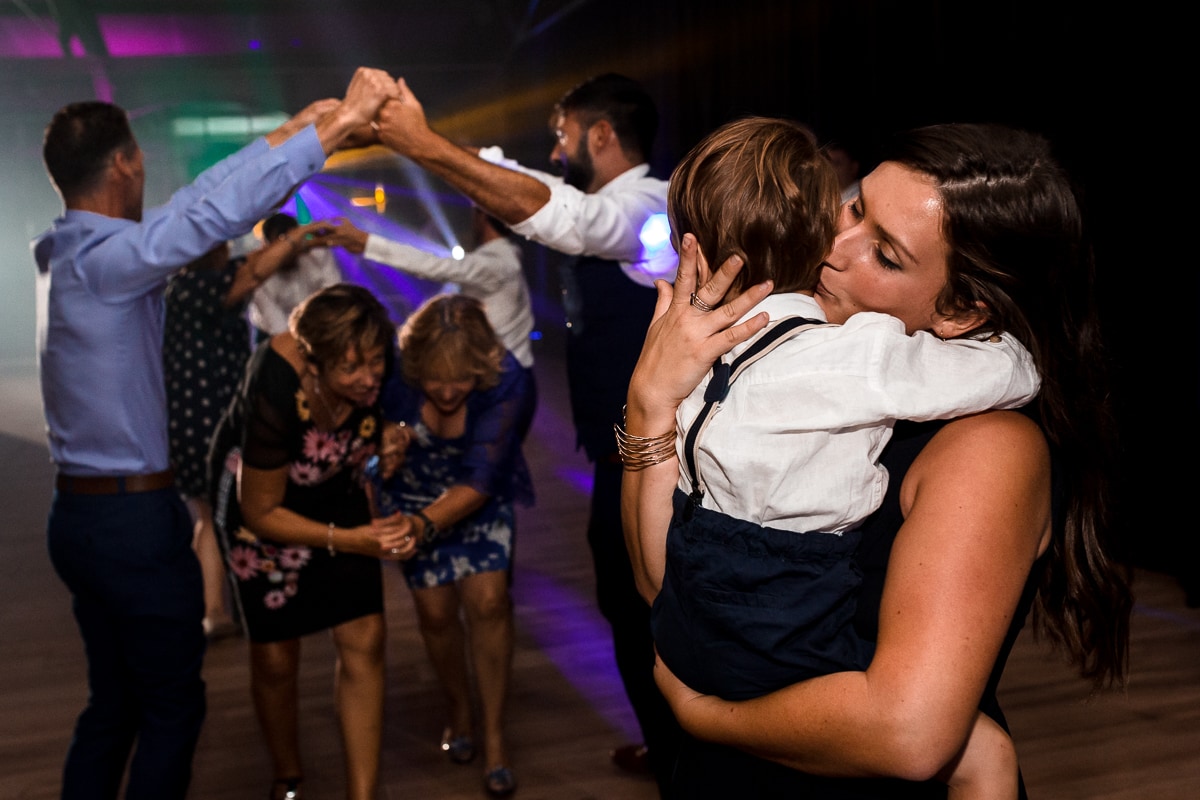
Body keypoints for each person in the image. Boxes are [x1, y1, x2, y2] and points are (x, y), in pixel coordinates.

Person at [621, 122, 1132, 798]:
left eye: (885, 254)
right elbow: (663, 584)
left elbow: (908, 735)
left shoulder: (987, 445)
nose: (832, 243)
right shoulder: (792, 359)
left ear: (958, 312)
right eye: (854, 204)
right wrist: (650, 403)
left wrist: (704, 713)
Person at [33, 69, 397, 800]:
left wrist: (292, 130)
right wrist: (333, 128)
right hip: (126, 518)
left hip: (79, 515)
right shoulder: (105, 263)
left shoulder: (68, 255)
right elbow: (203, 217)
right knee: (171, 705)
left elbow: (195, 204)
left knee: (114, 704)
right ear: (127, 162)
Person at [373, 71, 681, 792]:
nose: (556, 147)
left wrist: (422, 144)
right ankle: (668, 748)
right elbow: (539, 199)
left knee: (647, 607)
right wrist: (449, 152)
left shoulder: (646, 204)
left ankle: (683, 760)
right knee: (627, 602)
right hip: (622, 449)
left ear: (601, 134)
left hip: (653, 457)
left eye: (564, 133)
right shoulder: (611, 200)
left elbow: (569, 219)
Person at [208, 283, 414, 800]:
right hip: (261, 503)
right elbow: (260, 511)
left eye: (375, 363)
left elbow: (390, 416)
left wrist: (391, 437)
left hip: (337, 487)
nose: (370, 378)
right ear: (313, 364)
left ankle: (362, 794)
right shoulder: (276, 382)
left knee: (364, 638)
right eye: (352, 370)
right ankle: (287, 775)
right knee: (277, 658)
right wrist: (350, 540)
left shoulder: (375, 361)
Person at [366, 294, 535, 797]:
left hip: (477, 502)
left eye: (459, 379)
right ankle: (458, 709)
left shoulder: (510, 380)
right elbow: (362, 433)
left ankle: (494, 737)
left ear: (482, 365)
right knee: (436, 616)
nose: (444, 390)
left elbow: (484, 477)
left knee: (488, 604)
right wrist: (384, 442)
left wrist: (422, 526)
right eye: (433, 379)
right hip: (411, 495)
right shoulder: (395, 372)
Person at [164, 224, 333, 641]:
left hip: (195, 418)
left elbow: (254, 270)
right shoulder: (197, 288)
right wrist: (302, 236)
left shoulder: (181, 288)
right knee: (234, 512)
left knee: (212, 515)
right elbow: (254, 273)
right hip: (207, 419)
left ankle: (213, 607)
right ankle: (225, 608)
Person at [324, 206, 535, 371]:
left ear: (480, 215)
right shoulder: (502, 260)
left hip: (506, 375)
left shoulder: (498, 263)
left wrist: (367, 242)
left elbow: (436, 266)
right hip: (501, 370)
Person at [248, 211, 344, 341]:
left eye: (293, 243)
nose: (288, 251)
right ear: (267, 246)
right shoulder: (259, 275)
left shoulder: (318, 256)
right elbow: (277, 325)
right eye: (282, 247)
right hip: (272, 336)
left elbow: (335, 299)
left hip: (319, 329)